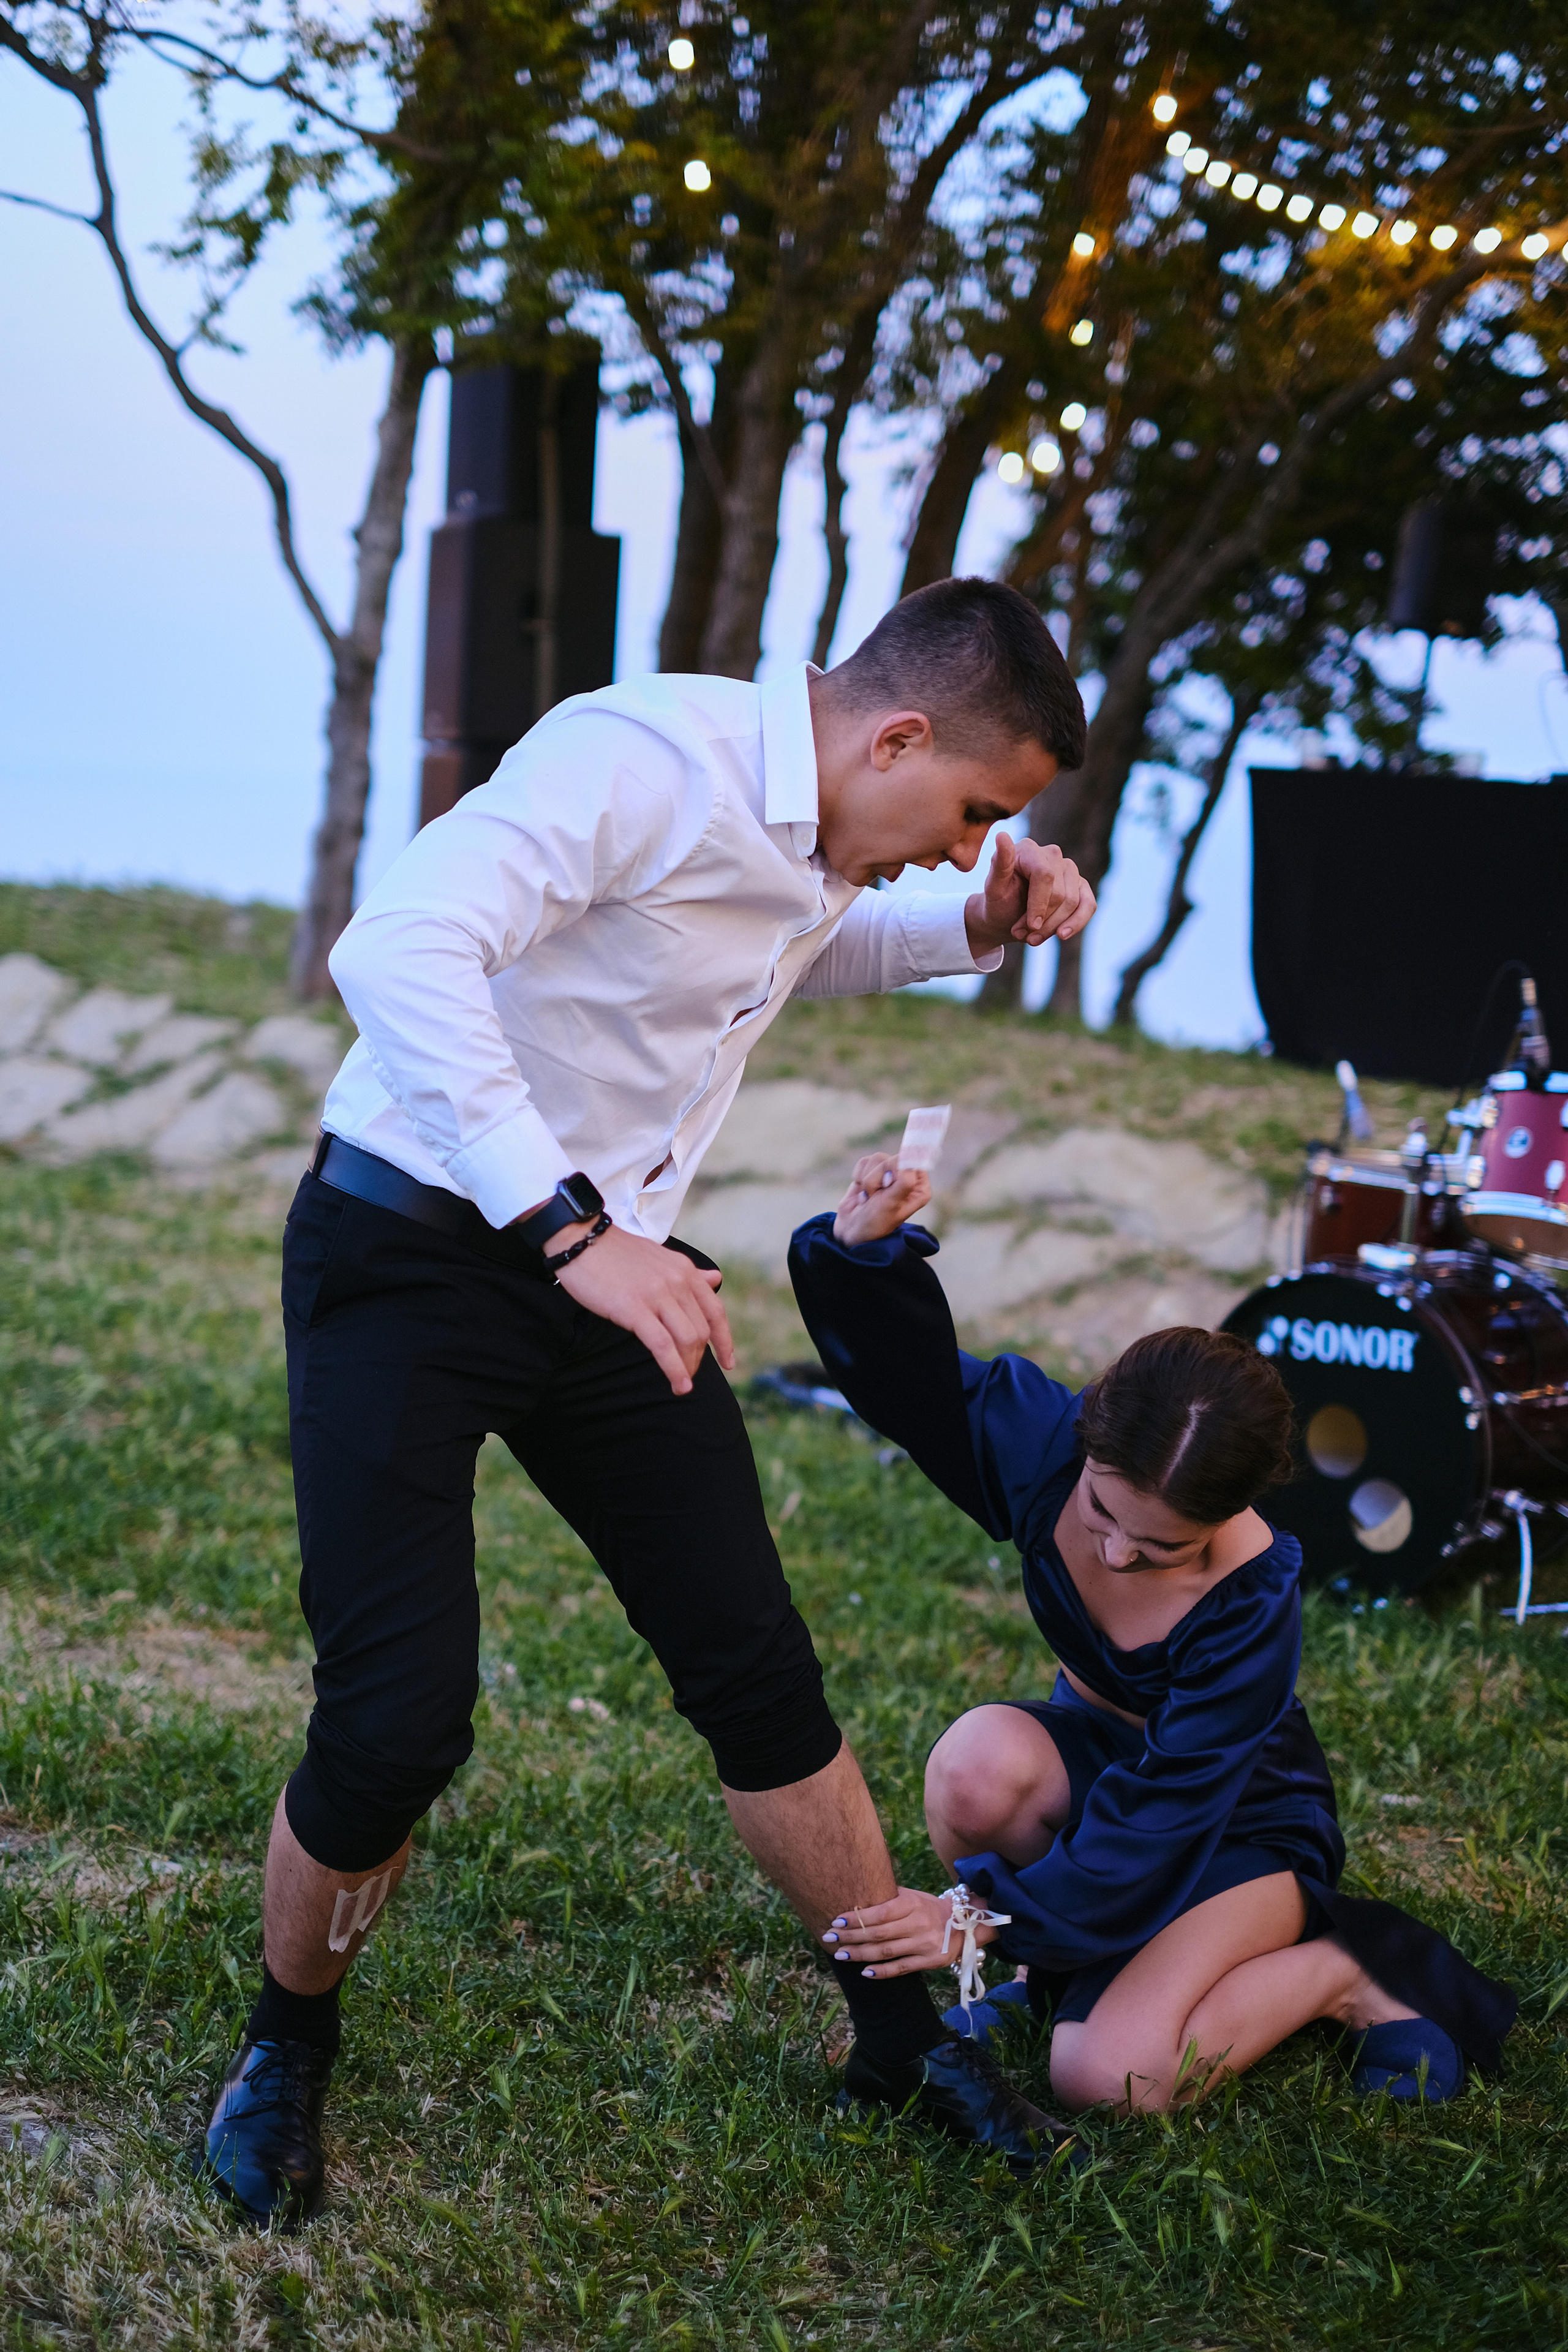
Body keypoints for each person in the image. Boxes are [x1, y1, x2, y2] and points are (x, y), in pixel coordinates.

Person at [199, 579, 1098, 2227]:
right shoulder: (644, 755)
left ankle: (897, 2041)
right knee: (400, 1716)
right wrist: (573, 1231)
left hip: (611, 1271)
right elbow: (395, 945)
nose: (973, 846)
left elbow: (786, 952)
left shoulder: (816, 840)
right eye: (974, 815)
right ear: (897, 733)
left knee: (755, 1668)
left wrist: (970, 931)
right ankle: (284, 2045)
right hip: (413, 1245)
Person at [787, 1154, 1517, 2115]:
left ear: (1233, 1512)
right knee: (976, 1764)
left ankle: (1345, 1975)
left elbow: (1168, 1810)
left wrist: (973, 1918)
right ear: (1088, 1442)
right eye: (1103, 1515)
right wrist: (863, 1254)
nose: (1122, 1556)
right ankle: (1041, 1981)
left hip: (1229, 1823)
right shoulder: (1051, 1450)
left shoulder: (1252, 1602)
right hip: (1102, 1778)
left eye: (1164, 1545)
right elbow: (909, 1381)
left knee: (1110, 2081)